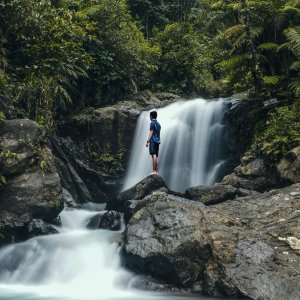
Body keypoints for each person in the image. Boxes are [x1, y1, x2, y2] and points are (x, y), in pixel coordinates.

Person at [146, 110, 161, 175]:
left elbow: (151, 132)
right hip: (158, 141)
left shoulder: (152, 123)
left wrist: (148, 141)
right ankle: (156, 171)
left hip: (153, 140)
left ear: (151, 116)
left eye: (150, 116)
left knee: (154, 155)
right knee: (156, 156)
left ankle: (154, 171)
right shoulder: (158, 124)